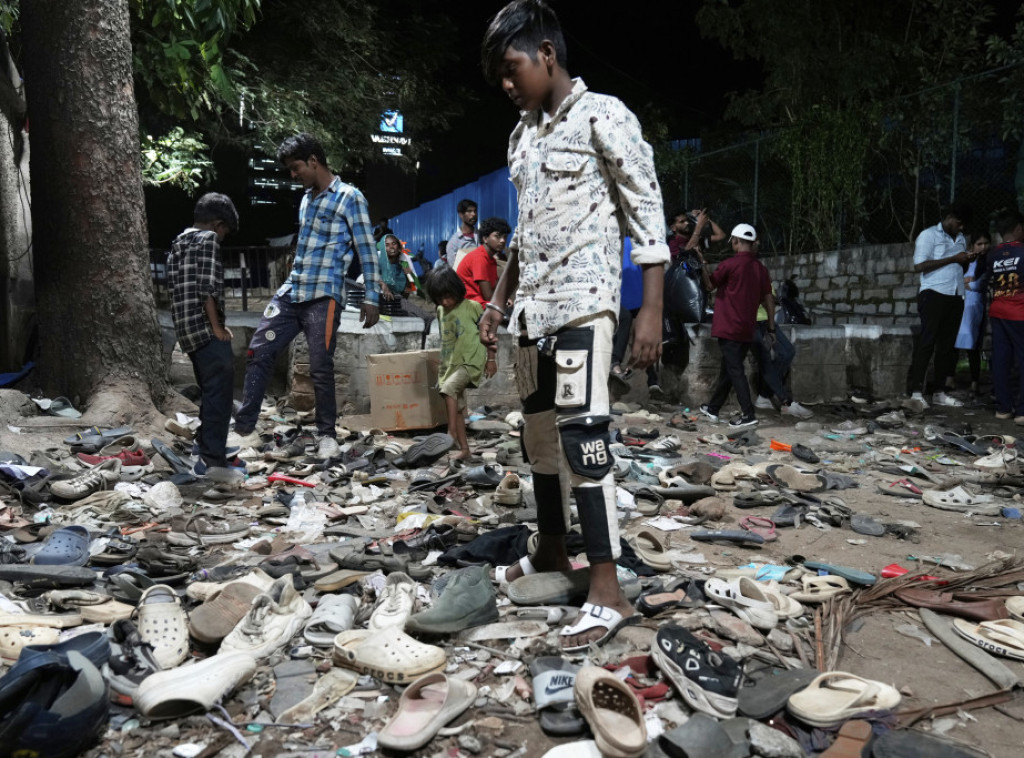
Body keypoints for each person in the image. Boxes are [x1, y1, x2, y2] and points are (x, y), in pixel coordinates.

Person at [479, 0, 669, 652]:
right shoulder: (521, 136)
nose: (506, 84)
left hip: (586, 303)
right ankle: (554, 552)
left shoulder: (603, 116)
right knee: (538, 442)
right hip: (532, 310)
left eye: (512, 68)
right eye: (498, 76)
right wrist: (499, 301)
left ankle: (607, 590)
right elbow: (525, 235)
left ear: (547, 54)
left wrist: (651, 308)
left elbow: (646, 209)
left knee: (584, 440)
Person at [230, 133, 380, 457]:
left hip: (324, 296)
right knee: (258, 351)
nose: (293, 175)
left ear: (314, 160)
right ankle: (245, 429)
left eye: (296, 167)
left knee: (320, 365)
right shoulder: (306, 199)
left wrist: (372, 297)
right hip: (292, 291)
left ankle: (327, 436)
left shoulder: (349, 197)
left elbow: (367, 249)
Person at [166, 192, 242, 481]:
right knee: (220, 393)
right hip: (205, 328)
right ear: (218, 224)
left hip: (187, 330)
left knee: (209, 391)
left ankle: (204, 447)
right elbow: (208, 288)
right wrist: (217, 328)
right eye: (225, 232)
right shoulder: (207, 240)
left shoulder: (179, 241)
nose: (223, 238)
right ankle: (212, 462)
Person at [695, 223, 774, 429]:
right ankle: (713, 408)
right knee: (729, 369)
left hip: (728, 326)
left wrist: (703, 262)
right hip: (748, 328)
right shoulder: (761, 269)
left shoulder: (729, 264)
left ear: (736, 242)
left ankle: (748, 414)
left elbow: (710, 285)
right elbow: (769, 299)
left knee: (735, 369)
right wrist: (771, 327)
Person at [906, 203, 972, 408]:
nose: (961, 228)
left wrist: (966, 260)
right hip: (933, 294)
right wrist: (953, 258)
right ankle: (916, 392)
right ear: (949, 218)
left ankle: (939, 392)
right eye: (959, 224)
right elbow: (919, 266)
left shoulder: (960, 239)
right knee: (928, 342)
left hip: (956, 295)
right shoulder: (929, 235)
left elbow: (960, 266)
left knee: (947, 347)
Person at [426, 267, 495, 460]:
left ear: (457, 290)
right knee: (457, 407)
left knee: (448, 389)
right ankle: (465, 450)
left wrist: (491, 359)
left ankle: (452, 433)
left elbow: (490, 334)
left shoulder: (473, 307)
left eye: (449, 296)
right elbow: (445, 338)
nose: (446, 302)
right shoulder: (440, 311)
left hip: (471, 360)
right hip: (451, 363)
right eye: (440, 298)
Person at [986, 211, 1024, 422]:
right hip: (1020, 312)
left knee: (1001, 359)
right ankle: (1022, 412)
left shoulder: (993, 254)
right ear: (1018, 227)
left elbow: (987, 282)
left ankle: (1003, 408)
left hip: (998, 311)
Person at [953, 232, 992, 395]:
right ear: (971, 246)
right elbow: (956, 280)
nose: (983, 247)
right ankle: (949, 378)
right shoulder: (965, 262)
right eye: (979, 244)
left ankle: (975, 383)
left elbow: (979, 284)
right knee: (954, 342)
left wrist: (969, 282)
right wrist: (966, 281)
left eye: (985, 243)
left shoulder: (988, 262)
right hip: (959, 304)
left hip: (975, 307)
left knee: (973, 345)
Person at [456, 216, 510, 306]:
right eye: (497, 236)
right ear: (485, 239)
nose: (502, 240)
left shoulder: (491, 260)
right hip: (472, 306)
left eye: (505, 237)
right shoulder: (480, 258)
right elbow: (488, 296)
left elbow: (495, 287)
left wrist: (505, 299)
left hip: (480, 303)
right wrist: (503, 301)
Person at [445, 198, 479, 267]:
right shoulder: (454, 243)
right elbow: (454, 268)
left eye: (475, 211)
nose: (473, 214)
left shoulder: (483, 235)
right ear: (461, 214)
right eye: (469, 211)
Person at [379, 234, 410, 301]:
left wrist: (408, 276)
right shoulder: (378, 262)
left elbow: (407, 291)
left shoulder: (402, 265)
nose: (391, 247)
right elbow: (370, 277)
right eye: (387, 245)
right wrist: (383, 284)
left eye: (394, 244)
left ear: (398, 247)